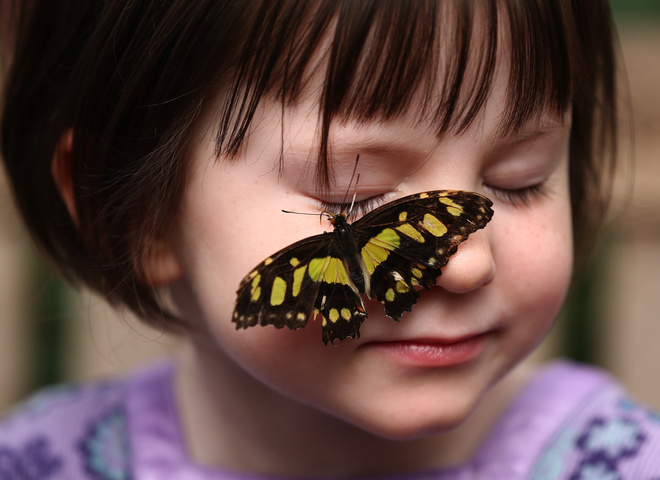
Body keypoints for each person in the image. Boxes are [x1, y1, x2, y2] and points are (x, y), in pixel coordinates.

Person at [1, 0, 658, 478]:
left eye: (518, 181)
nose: (465, 266)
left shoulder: (617, 461)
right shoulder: (44, 460)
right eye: (357, 196)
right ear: (137, 213)